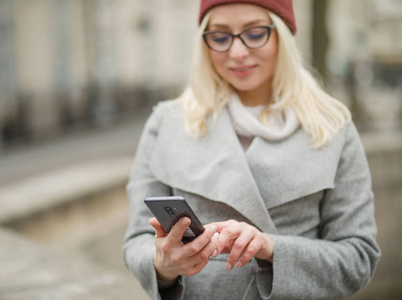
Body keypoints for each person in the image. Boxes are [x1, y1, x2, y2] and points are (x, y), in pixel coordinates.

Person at [123, 0, 381, 299]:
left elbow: (359, 258)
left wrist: (271, 249)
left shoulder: (334, 127)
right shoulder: (167, 123)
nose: (237, 52)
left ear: (281, 35)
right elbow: (138, 240)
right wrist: (164, 266)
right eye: (220, 37)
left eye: (255, 33)